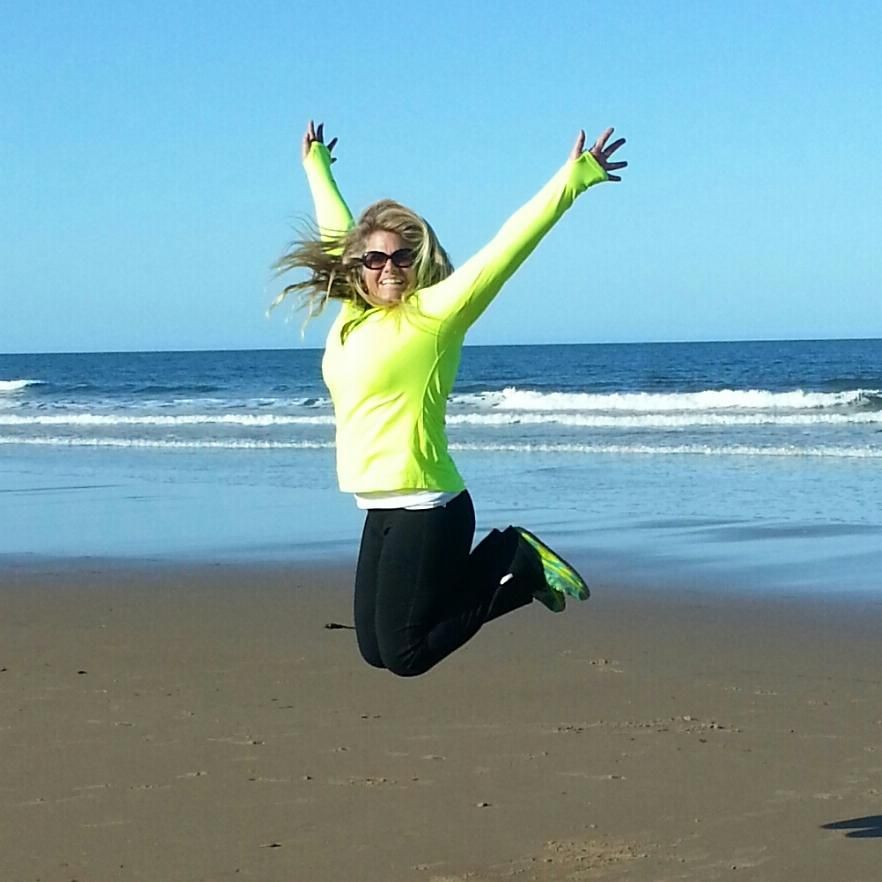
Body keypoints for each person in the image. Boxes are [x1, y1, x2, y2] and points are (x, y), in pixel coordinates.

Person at [275, 119, 627, 677]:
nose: (388, 268)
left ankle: (514, 558)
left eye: (401, 257)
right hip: (378, 504)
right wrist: (316, 164)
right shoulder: (352, 312)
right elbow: (338, 228)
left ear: (415, 262)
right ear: (360, 267)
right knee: (375, 652)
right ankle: (515, 568)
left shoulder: (435, 315)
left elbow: (506, 248)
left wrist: (574, 179)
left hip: (428, 504)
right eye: (375, 260)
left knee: (407, 655)